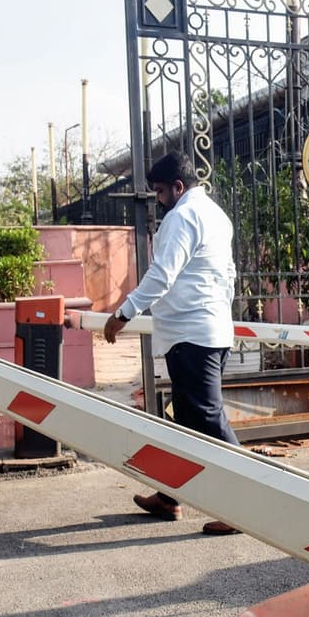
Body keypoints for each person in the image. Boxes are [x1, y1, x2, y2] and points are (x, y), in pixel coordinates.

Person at [104, 152, 241, 536]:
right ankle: (169, 496)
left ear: (178, 187)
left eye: (161, 192)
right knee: (185, 421)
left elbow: (161, 274)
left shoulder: (182, 217)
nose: (159, 200)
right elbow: (228, 273)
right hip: (206, 330)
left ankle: (246, 505)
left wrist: (124, 313)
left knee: (209, 420)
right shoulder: (215, 214)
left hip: (193, 334)